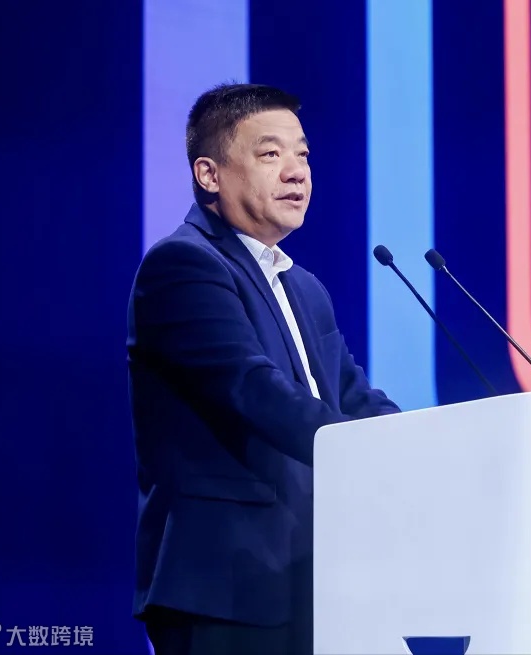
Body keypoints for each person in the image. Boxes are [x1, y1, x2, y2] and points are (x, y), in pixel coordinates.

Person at [127, 82, 401, 655]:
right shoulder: (182, 265)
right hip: (226, 584)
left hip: (317, 581)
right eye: (271, 154)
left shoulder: (305, 287)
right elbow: (254, 390)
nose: (297, 172)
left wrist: (430, 446)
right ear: (209, 174)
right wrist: (369, 455)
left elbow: (354, 396)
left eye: (303, 154)